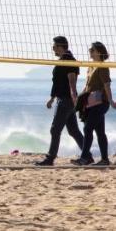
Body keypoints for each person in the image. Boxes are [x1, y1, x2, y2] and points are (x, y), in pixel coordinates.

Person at [35, 36, 84, 166]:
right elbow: (58, 83)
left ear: (61, 46)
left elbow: (71, 79)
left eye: (54, 46)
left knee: (55, 129)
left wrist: (74, 96)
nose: (53, 49)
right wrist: (52, 99)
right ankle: (87, 155)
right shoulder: (63, 60)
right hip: (64, 99)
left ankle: (50, 158)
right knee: (73, 130)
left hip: (67, 100)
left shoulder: (69, 60)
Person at [75, 42, 112, 166]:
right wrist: (79, 99)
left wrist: (111, 101)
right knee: (99, 132)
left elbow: (107, 84)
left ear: (99, 52)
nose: (90, 51)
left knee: (88, 128)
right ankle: (104, 159)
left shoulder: (102, 67)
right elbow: (88, 86)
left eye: (92, 49)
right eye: (90, 49)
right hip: (90, 103)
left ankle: (85, 157)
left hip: (101, 103)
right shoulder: (91, 66)